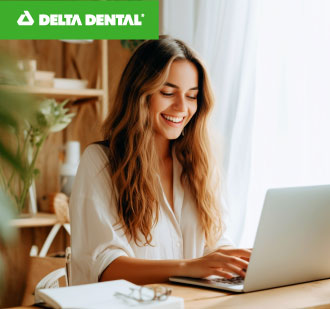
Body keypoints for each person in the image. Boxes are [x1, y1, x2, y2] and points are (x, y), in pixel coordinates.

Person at [69, 35, 251, 286]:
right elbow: (105, 267)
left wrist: (238, 262)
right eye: (168, 92)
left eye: (192, 96)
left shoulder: (198, 164)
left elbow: (213, 242)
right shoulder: (101, 162)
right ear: (139, 94)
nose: (181, 107)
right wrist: (190, 267)